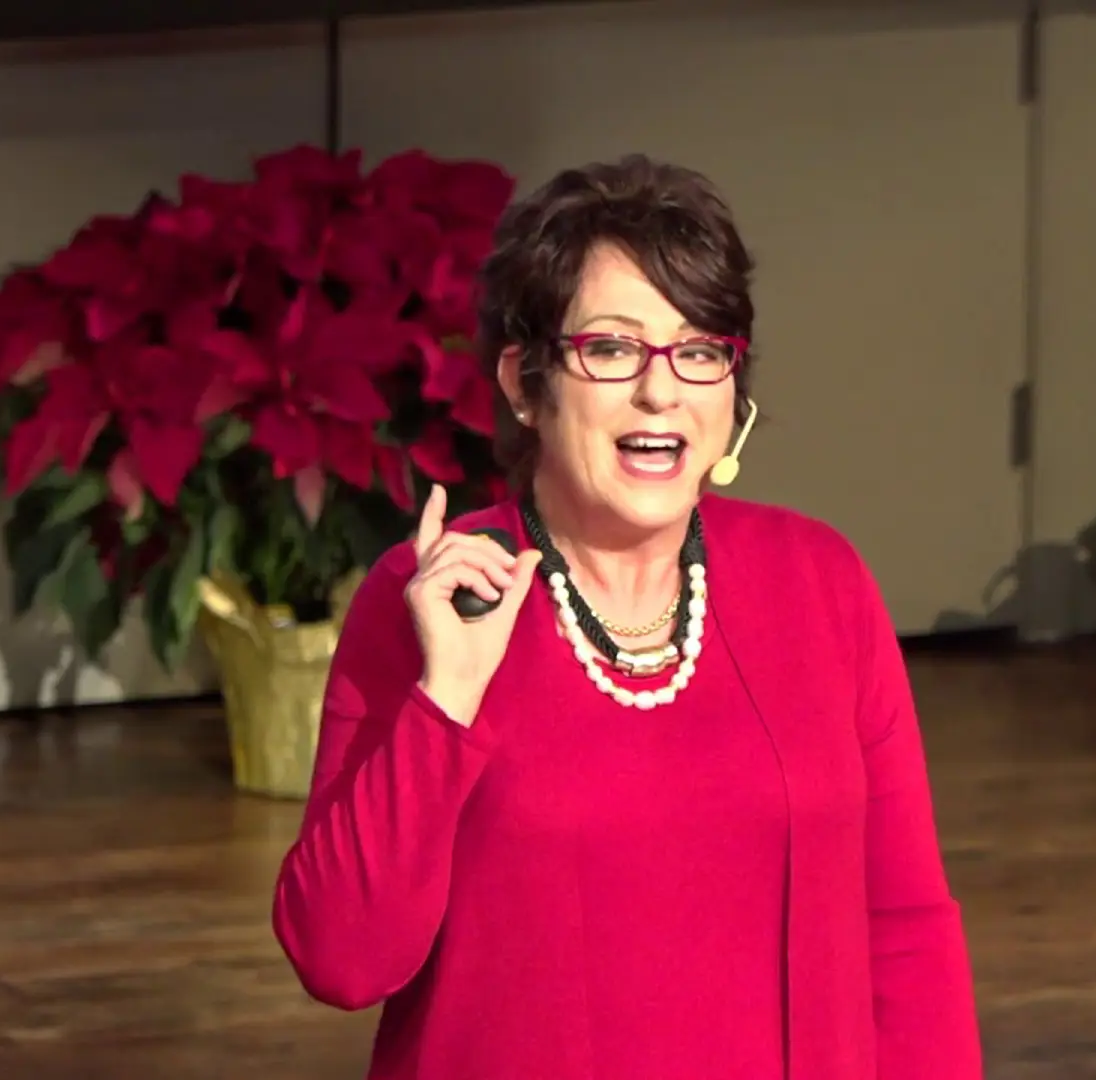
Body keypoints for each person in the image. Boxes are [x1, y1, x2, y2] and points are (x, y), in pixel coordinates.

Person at [271, 155, 983, 1079]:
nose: (662, 391)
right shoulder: (431, 594)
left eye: (699, 350)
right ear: (525, 383)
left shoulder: (818, 581)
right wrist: (444, 701)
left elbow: (907, 927)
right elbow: (341, 960)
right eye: (611, 350)